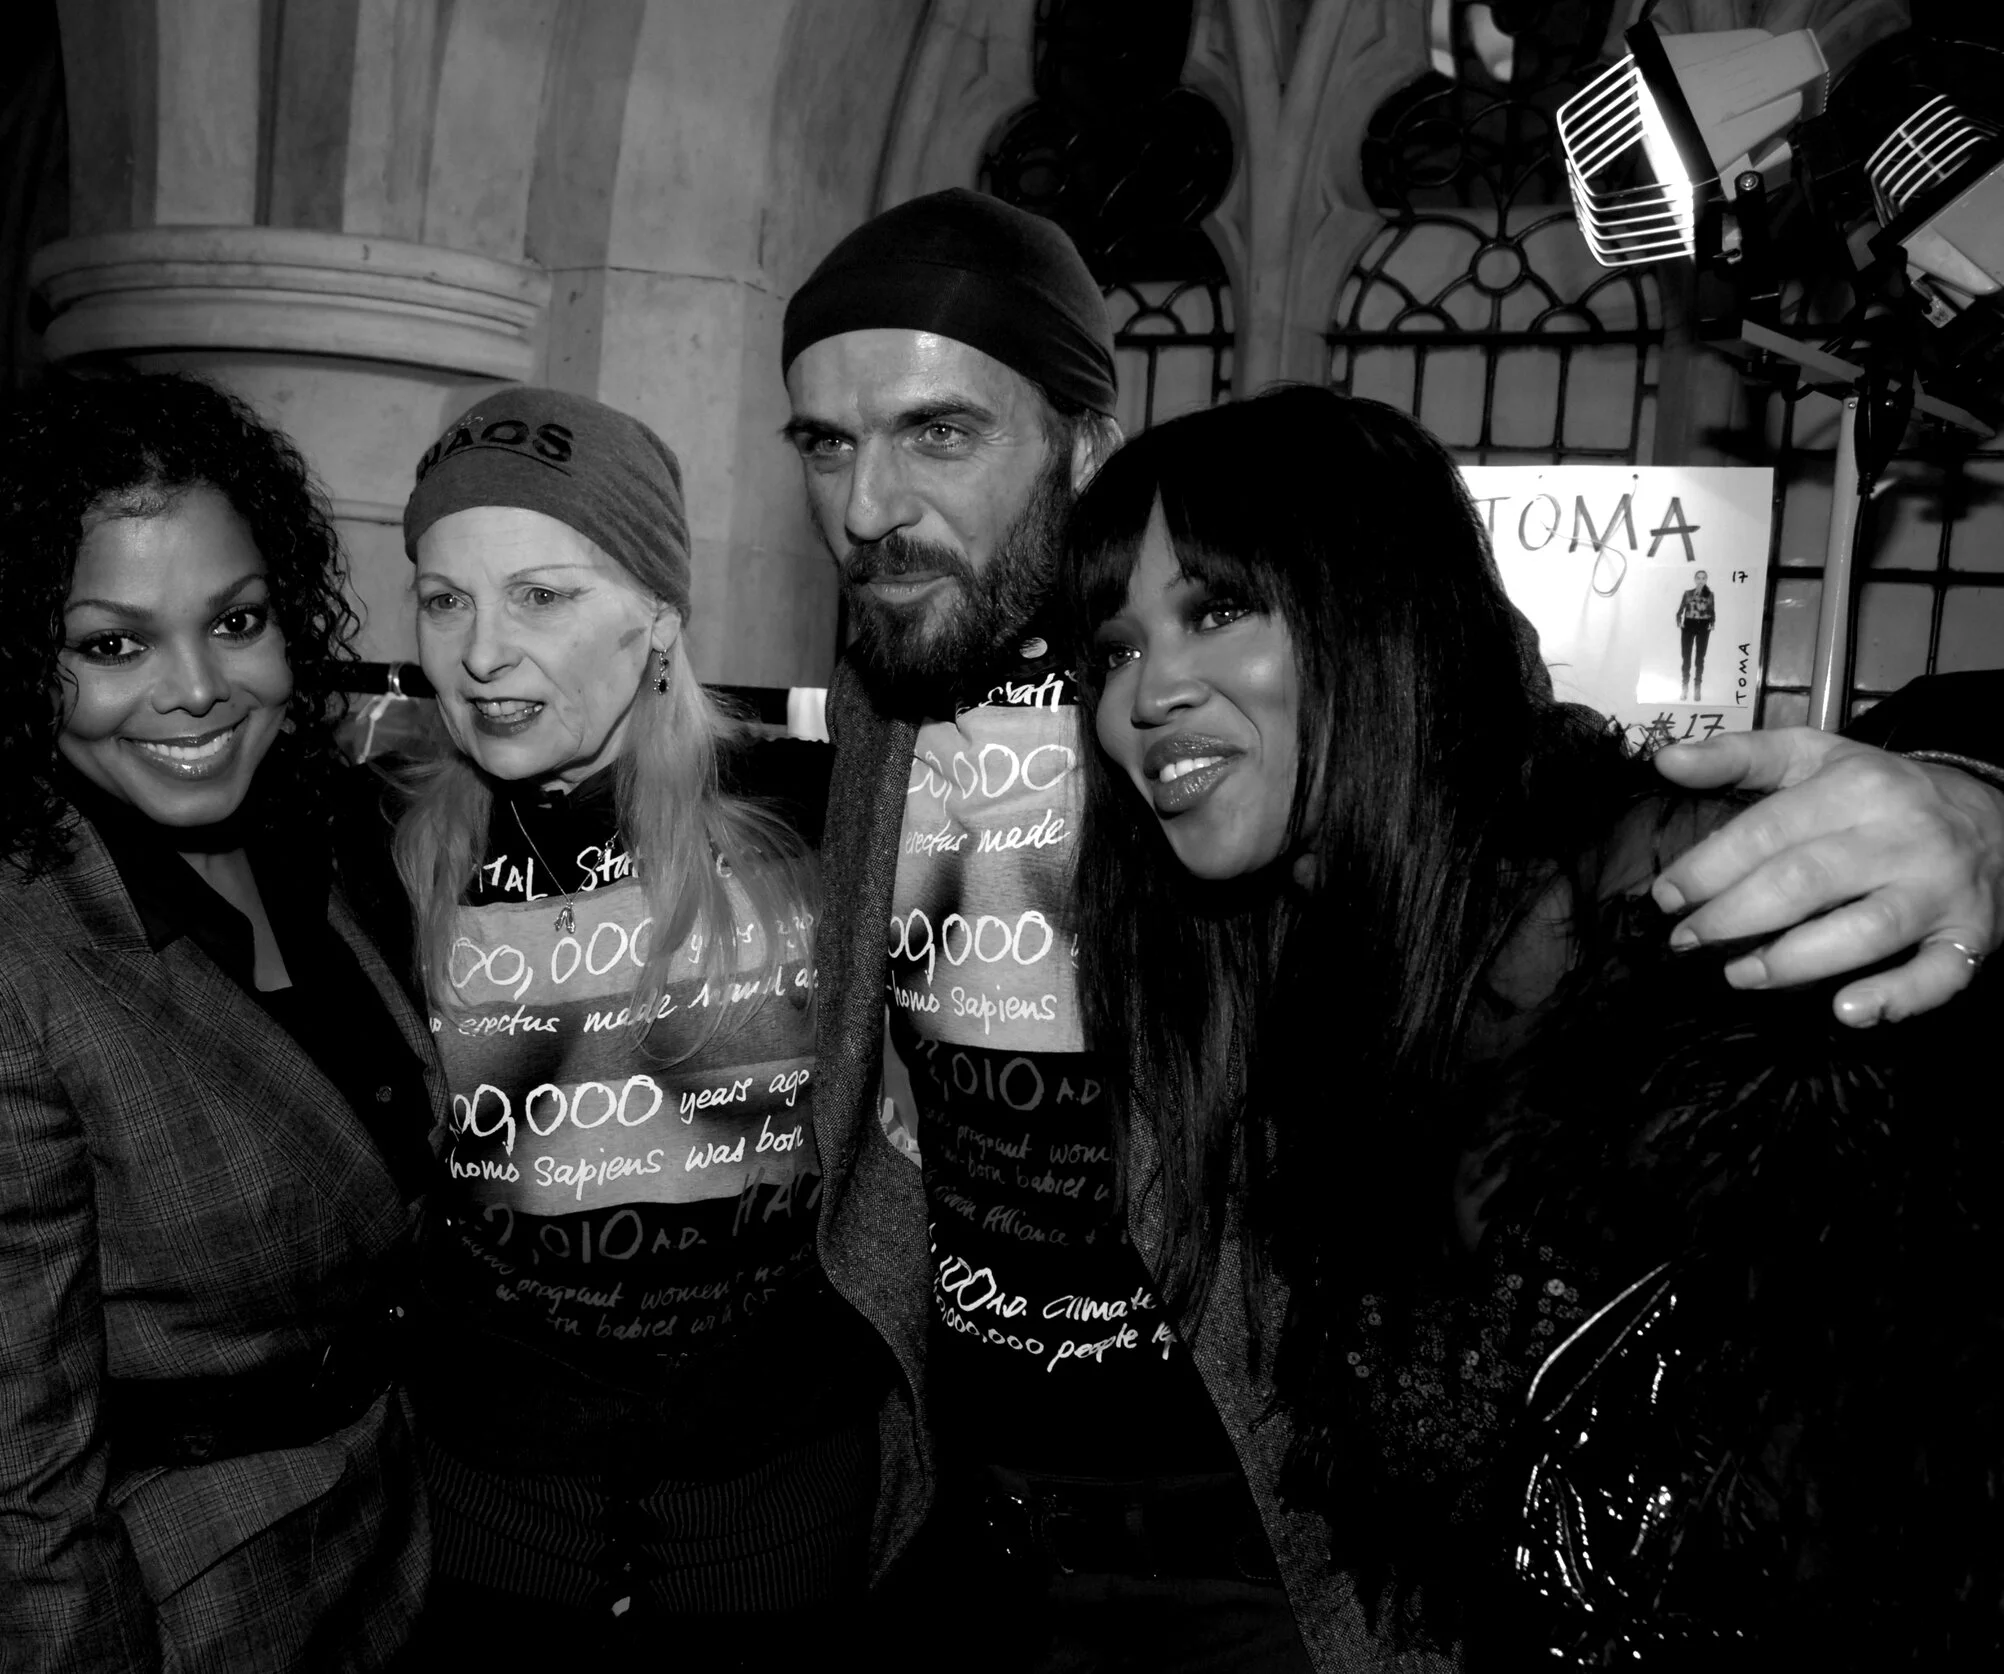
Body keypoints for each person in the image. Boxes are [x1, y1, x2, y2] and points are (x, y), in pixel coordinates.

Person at [775, 187, 2004, 1671]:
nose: (867, 505)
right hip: (983, 1527)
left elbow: (1556, 785)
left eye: (938, 432)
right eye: (827, 445)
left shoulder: (1553, 873)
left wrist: (1972, 801)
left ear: (1084, 447)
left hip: (1276, 1543)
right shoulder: (898, 713)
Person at [1065, 384, 2000, 1664]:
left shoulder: (1657, 889)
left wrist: (1980, 804)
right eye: (1114, 648)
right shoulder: (1284, 987)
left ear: (1378, 604)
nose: (1146, 693)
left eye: (1218, 611)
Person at [0, 371, 438, 1672]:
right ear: (12, 661)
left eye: (237, 620)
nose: (196, 689)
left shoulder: (323, 856)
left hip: (381, 1561)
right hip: (168, 1614)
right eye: (112, 643)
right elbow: (20, 1516)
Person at [391, 387, 890, 1667]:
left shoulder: (815, 829)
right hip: (490, 1498)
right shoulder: (369, 862)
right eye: (444, 600)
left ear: (658, 616)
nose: (482, 653)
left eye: (543, 595)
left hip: (773, 1492)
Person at [1676, 568, 1715, 700]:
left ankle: (1697, 689)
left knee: (1700, 658)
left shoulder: (1710, 595)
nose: (1700, 581)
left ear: (1706, 580)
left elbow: (1712, 611)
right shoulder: (1688, 593)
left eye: (1703, 578)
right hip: (1688, 625)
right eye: (1698, 578)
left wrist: (1712, 623)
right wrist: (1679, 621)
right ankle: (1684, 688)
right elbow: (1680, 610)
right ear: (1694, 579)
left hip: (1703, 627)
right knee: (1686, 657)